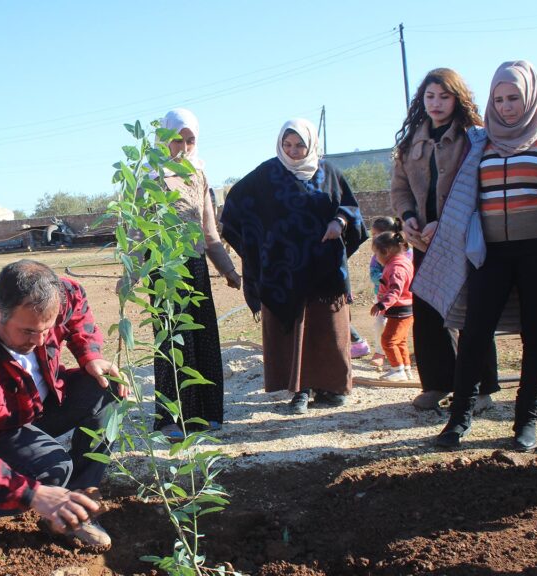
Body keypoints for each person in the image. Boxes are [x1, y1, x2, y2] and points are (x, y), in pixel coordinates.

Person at [412, 61, 537, 451]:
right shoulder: (478, 142)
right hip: (489, 256)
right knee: (474, 334)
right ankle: (458, 420)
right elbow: (456, 188)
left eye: (514, 98)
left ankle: (526, 422)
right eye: (499, 99)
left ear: (532, 96)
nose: (506, 107)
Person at [0, 260, 123, 562]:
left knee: (107, 386)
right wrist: (33, 494)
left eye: (47, 329)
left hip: (39, 401)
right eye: (28, 331)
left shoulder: (57, 294)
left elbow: (78, 305)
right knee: (52, 469)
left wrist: (89, 354)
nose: (40, 341)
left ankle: (74, 509)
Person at [221, 119, 367, 414]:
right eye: (287, 145)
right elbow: (235, 208)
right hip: (282, 269)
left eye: (299, 144)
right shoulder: (266, 174)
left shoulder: (330, 173)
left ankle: (331, 386)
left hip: (324, 267)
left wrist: (339, 222)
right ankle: (299, 390)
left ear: (311, 144)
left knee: (326, 326)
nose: (293, 151)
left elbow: (351, 208)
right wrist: (259, 245)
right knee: (293, 328)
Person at [389, 67, 501, 412]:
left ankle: (481, 389)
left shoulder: (476, 137)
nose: (436, 103)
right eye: (430, 96)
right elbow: (400, 188)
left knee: (472, 312)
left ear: (457, 98)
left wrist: (446, 222)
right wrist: (408, 220)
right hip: (423, 242)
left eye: (444, 96)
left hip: (467, 239)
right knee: (428, 311)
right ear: (421, 100)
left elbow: (481, 185)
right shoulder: (410, 143)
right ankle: (438, 383)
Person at [145, 109, 241, 439]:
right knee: (171, 341)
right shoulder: (149, 175)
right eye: (177, 139)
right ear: (164, 138)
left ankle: (204, 414)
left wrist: (228, 270)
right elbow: (133, 230)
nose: (183, 147)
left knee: (202, 338)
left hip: (195, 267)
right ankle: (170, 419)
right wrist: (128, 274)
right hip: (162, 268)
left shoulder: (199, 175)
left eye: (190, 140)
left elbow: (209, 232)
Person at [369, 227, 414, 381]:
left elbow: (395, 290)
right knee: (400, 340)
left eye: (376, 253)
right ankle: (405, 368)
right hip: (405, 309)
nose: (376, 257)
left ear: (386, 251)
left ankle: (397, 370)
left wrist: (382, 305)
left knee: (388, 340)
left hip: (399, 310)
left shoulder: (396, 268)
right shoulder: (403, 262)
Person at [366, 216, 405, 368]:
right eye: (373, 234)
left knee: (399, 326)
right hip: (382, 297)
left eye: (377, 234)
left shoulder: (405, 254)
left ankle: (399, 359)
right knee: (380, 323)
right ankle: (379, 352)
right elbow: (373, 275)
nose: (374, 237)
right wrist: (388, 279)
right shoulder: (376, 256)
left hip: (402, 299)